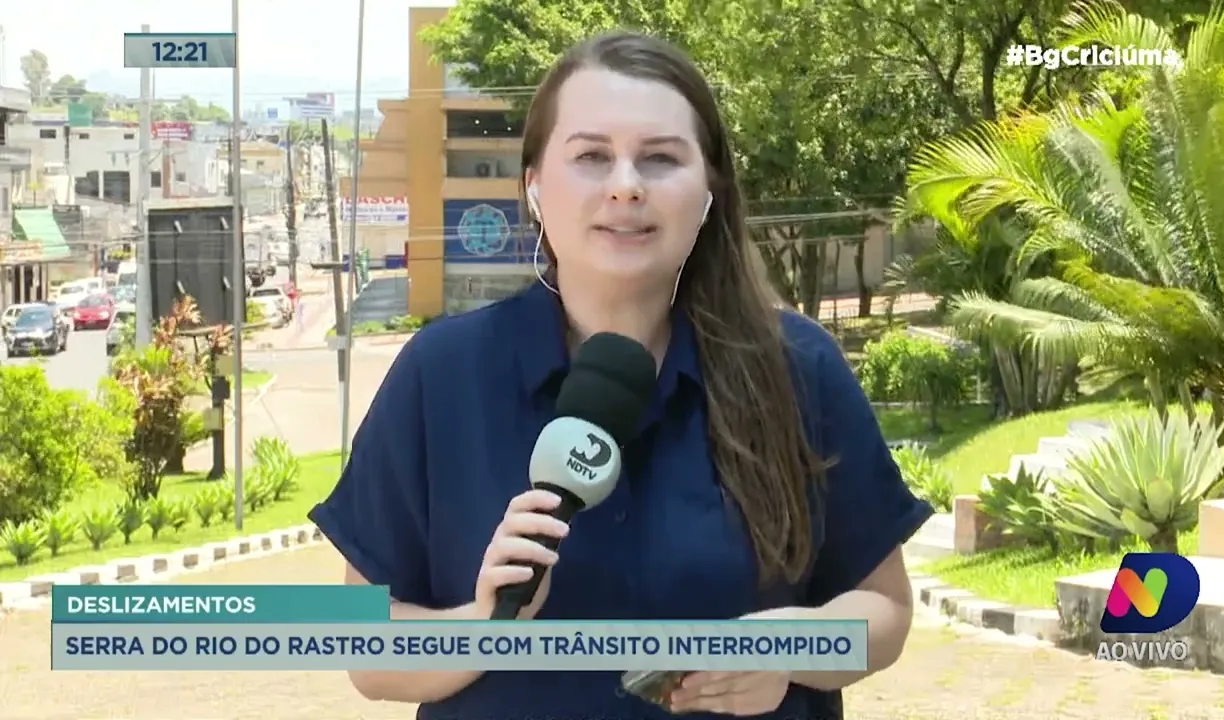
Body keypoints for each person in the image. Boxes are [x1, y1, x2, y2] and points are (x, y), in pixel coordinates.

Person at [310, 29, 932, 720]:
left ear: (709, 192)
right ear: (535, 186)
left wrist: (789, 650)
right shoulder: (442, 375)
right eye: (592, 157)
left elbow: (885, 609)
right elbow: (368, 649)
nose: (626, 186)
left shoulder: (798, 367)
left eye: (661, 158)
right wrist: (483, 625)